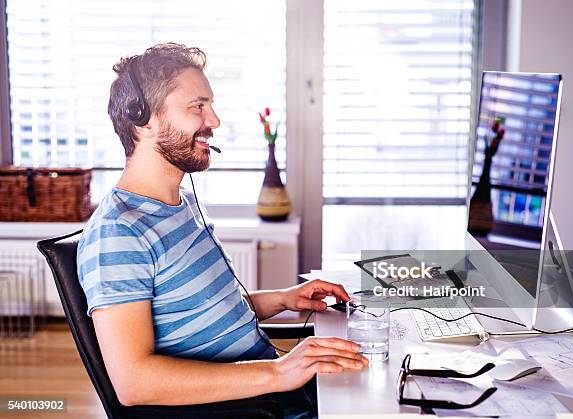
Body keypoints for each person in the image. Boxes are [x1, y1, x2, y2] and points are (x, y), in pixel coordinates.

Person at [76, 43, 368, 418]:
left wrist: (283, 298)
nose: (214, 121)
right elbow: (134, 383)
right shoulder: (119, 233)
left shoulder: (180, 205)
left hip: (275, 392)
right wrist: (279, 371)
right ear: (143, 118)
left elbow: (204, 317)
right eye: (198, 107)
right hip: (253, 407)